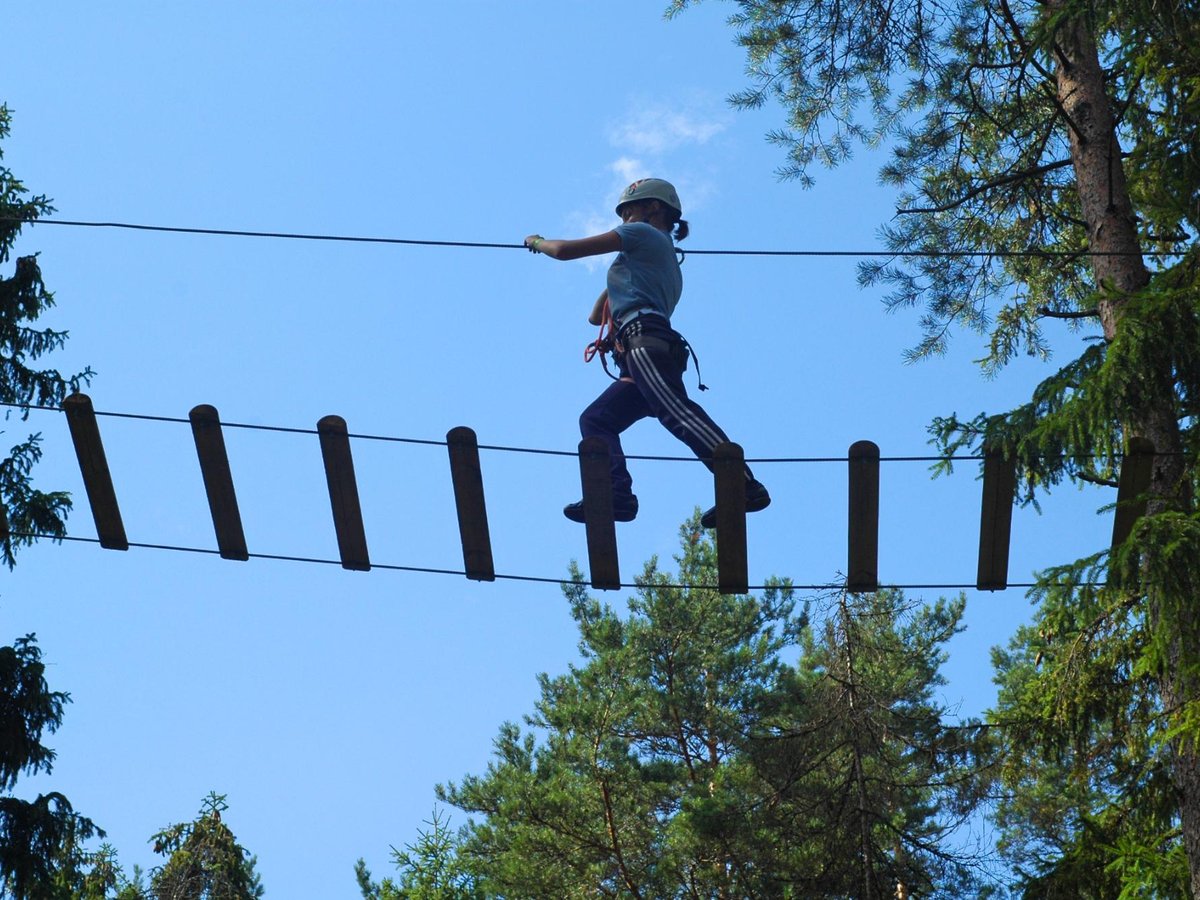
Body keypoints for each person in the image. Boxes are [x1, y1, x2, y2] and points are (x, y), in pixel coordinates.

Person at [524, 177, 769, 528]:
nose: (625, 221)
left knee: (677, 413)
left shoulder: (643, 235)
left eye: (629, 212)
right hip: (641, 350)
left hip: (644, 343)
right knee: (597, 420)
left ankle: (744, 484)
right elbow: (596, 316)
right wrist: (615, 281)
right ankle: (616, 496)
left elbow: (564, 251)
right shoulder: (659, 254)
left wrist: (538, 242)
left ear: (654, 208)